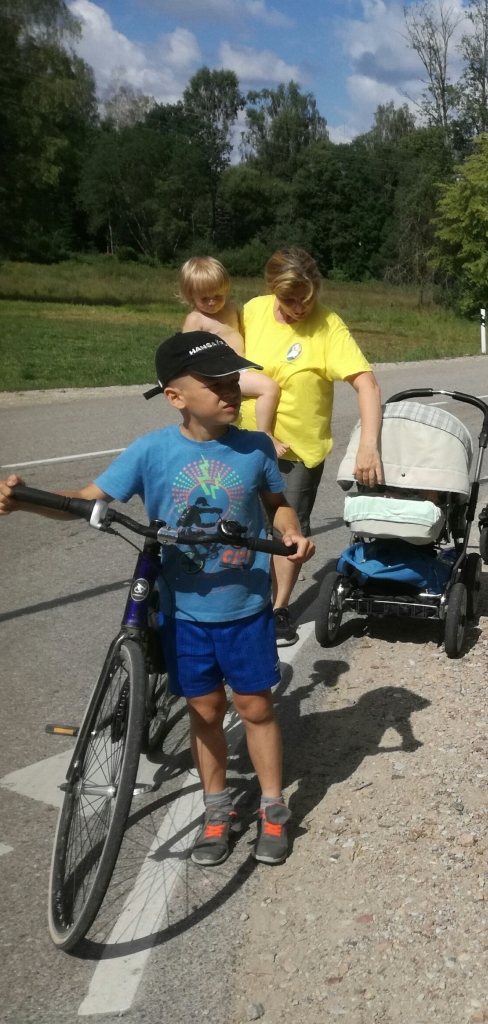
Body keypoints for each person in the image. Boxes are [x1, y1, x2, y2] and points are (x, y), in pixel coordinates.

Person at [0, 332, 315, 866]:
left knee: (256, 706)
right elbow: (87, 500)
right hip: (185, 610)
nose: (230, 392)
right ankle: (217, 810)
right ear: (175, 397)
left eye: (233, 381)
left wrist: (291, 531)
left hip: (244, 607)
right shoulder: (152, 451)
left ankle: (272, 806)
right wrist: (28, 501)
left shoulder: (256, 448)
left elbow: (277, 504)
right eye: (214, 384)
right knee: (204, 709)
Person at [240, 248, 383, 644]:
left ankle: (278, 608)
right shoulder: (252, 312)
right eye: (290, 299)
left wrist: (368, 445)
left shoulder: (328, 326)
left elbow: (367, 384)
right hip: (241, 440)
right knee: (238, 523)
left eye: (307, 296)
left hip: (296, 451)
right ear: (272, 289)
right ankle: (238, 602)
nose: (300, 307)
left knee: (286, 527)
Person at [179, 256, 287, 459]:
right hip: (224, 373)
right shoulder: (195, 319)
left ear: (226, 289)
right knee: (270, 387)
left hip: (241, 366)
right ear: (190, 294)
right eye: (204, 298)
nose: (212, 302)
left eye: (218, 296)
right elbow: (188, 353)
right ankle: (265, 433)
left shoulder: (231, 309)